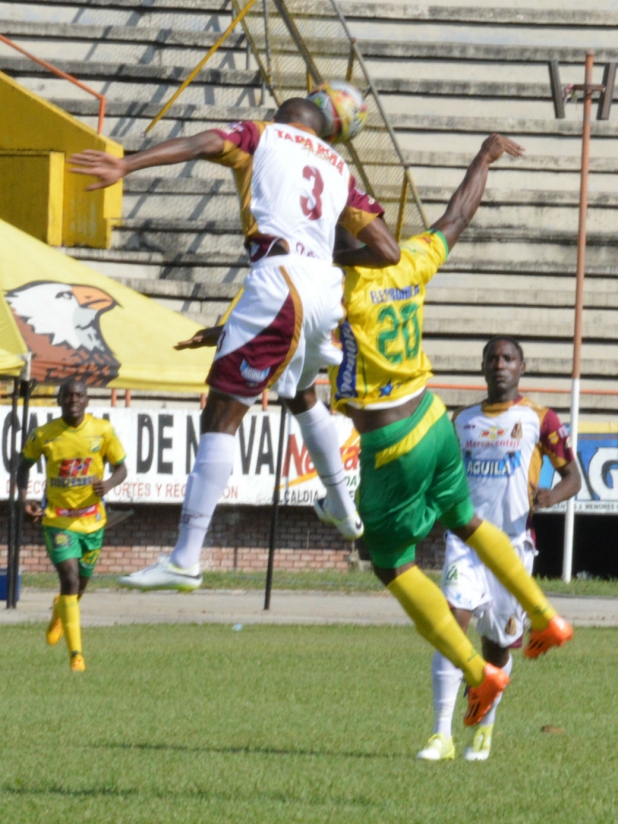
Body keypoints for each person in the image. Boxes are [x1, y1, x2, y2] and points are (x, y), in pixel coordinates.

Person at [70, 98, 400, 591]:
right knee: (300, 392)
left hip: (279, 280)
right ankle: (341, 504)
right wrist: (322, 259)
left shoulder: (261, 134)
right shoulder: (338, 168)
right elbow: (388, 250)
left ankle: (185, 558)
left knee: (221, 414)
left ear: (283, 117)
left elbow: (200, 143)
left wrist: (128, 164)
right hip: (324, 292)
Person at [330, 134, 574, 728]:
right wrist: (483, 158)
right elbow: (457, 215)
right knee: (465, 520)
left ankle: (476, 672)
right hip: (435, 418)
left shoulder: (336, 287)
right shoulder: (410, 261)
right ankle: (547, 616)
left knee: (389, 562)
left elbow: (284, 317)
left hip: (392, 440)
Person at [416, 336, 581, 761]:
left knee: (496, 644)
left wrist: (551, 495)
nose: (500, 364)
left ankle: (484, 728)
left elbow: (573, 477)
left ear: (522, 367)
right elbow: (441, 473)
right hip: (466, 541)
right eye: (493, 358)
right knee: (451, 626)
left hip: (512, 546)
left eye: (508, 358)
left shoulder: (540, 419)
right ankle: (440, 736)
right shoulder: (461, 419)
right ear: (483, 366)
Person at [17, 378, 127, 671]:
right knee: (69, 578)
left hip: (92, 521)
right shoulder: (44, 435)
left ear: (87, 400)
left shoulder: (102, 430)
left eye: (79, 395)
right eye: (67, 395)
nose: (73, 400)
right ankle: (76, 656)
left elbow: (122, 468)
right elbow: (23, 466)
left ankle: (60, 611)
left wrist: (109, 484)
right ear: (59, 400)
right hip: (57, 520)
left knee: (78, 588)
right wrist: (24, 500)